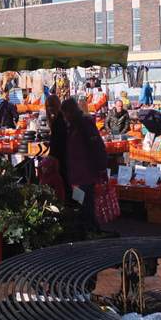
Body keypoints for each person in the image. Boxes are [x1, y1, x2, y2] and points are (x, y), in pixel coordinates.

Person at [61, 98, 108, 232]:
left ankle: (91, 231)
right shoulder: (73, 126)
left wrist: (101, 167)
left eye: (66, 113)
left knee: (87, 205)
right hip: (77, 176)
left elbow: (98, 146)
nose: (65, 117)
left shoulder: (84, 124)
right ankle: (89, 229)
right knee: (81, 204)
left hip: (86, 174)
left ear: (71, 111)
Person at [45, 95, 70, 202]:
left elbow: (59, 141)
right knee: (64, 182)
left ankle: (66, 204)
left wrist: (51, 156)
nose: (50, 108)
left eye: (52, 106)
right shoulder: (59, 119)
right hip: (62, 156)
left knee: (62, 182)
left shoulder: (58, 121)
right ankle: (70, 205)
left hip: (59, 157)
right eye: (48, 106)